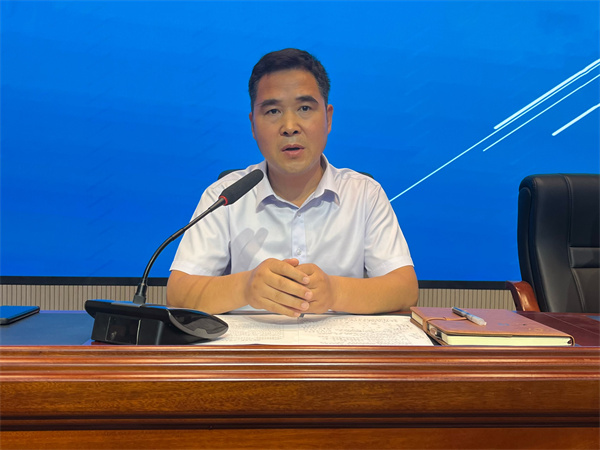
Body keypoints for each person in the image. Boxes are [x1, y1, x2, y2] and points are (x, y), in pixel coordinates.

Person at [167, 48, 418, 317]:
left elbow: (405, 290)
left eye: (304, 108)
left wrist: (335, 292)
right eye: (273, 111)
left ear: (328, 118)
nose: (289, 126)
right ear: (253, 125)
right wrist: (245, 288)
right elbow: (178, 294)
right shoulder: (223, 197)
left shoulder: (364, 194)